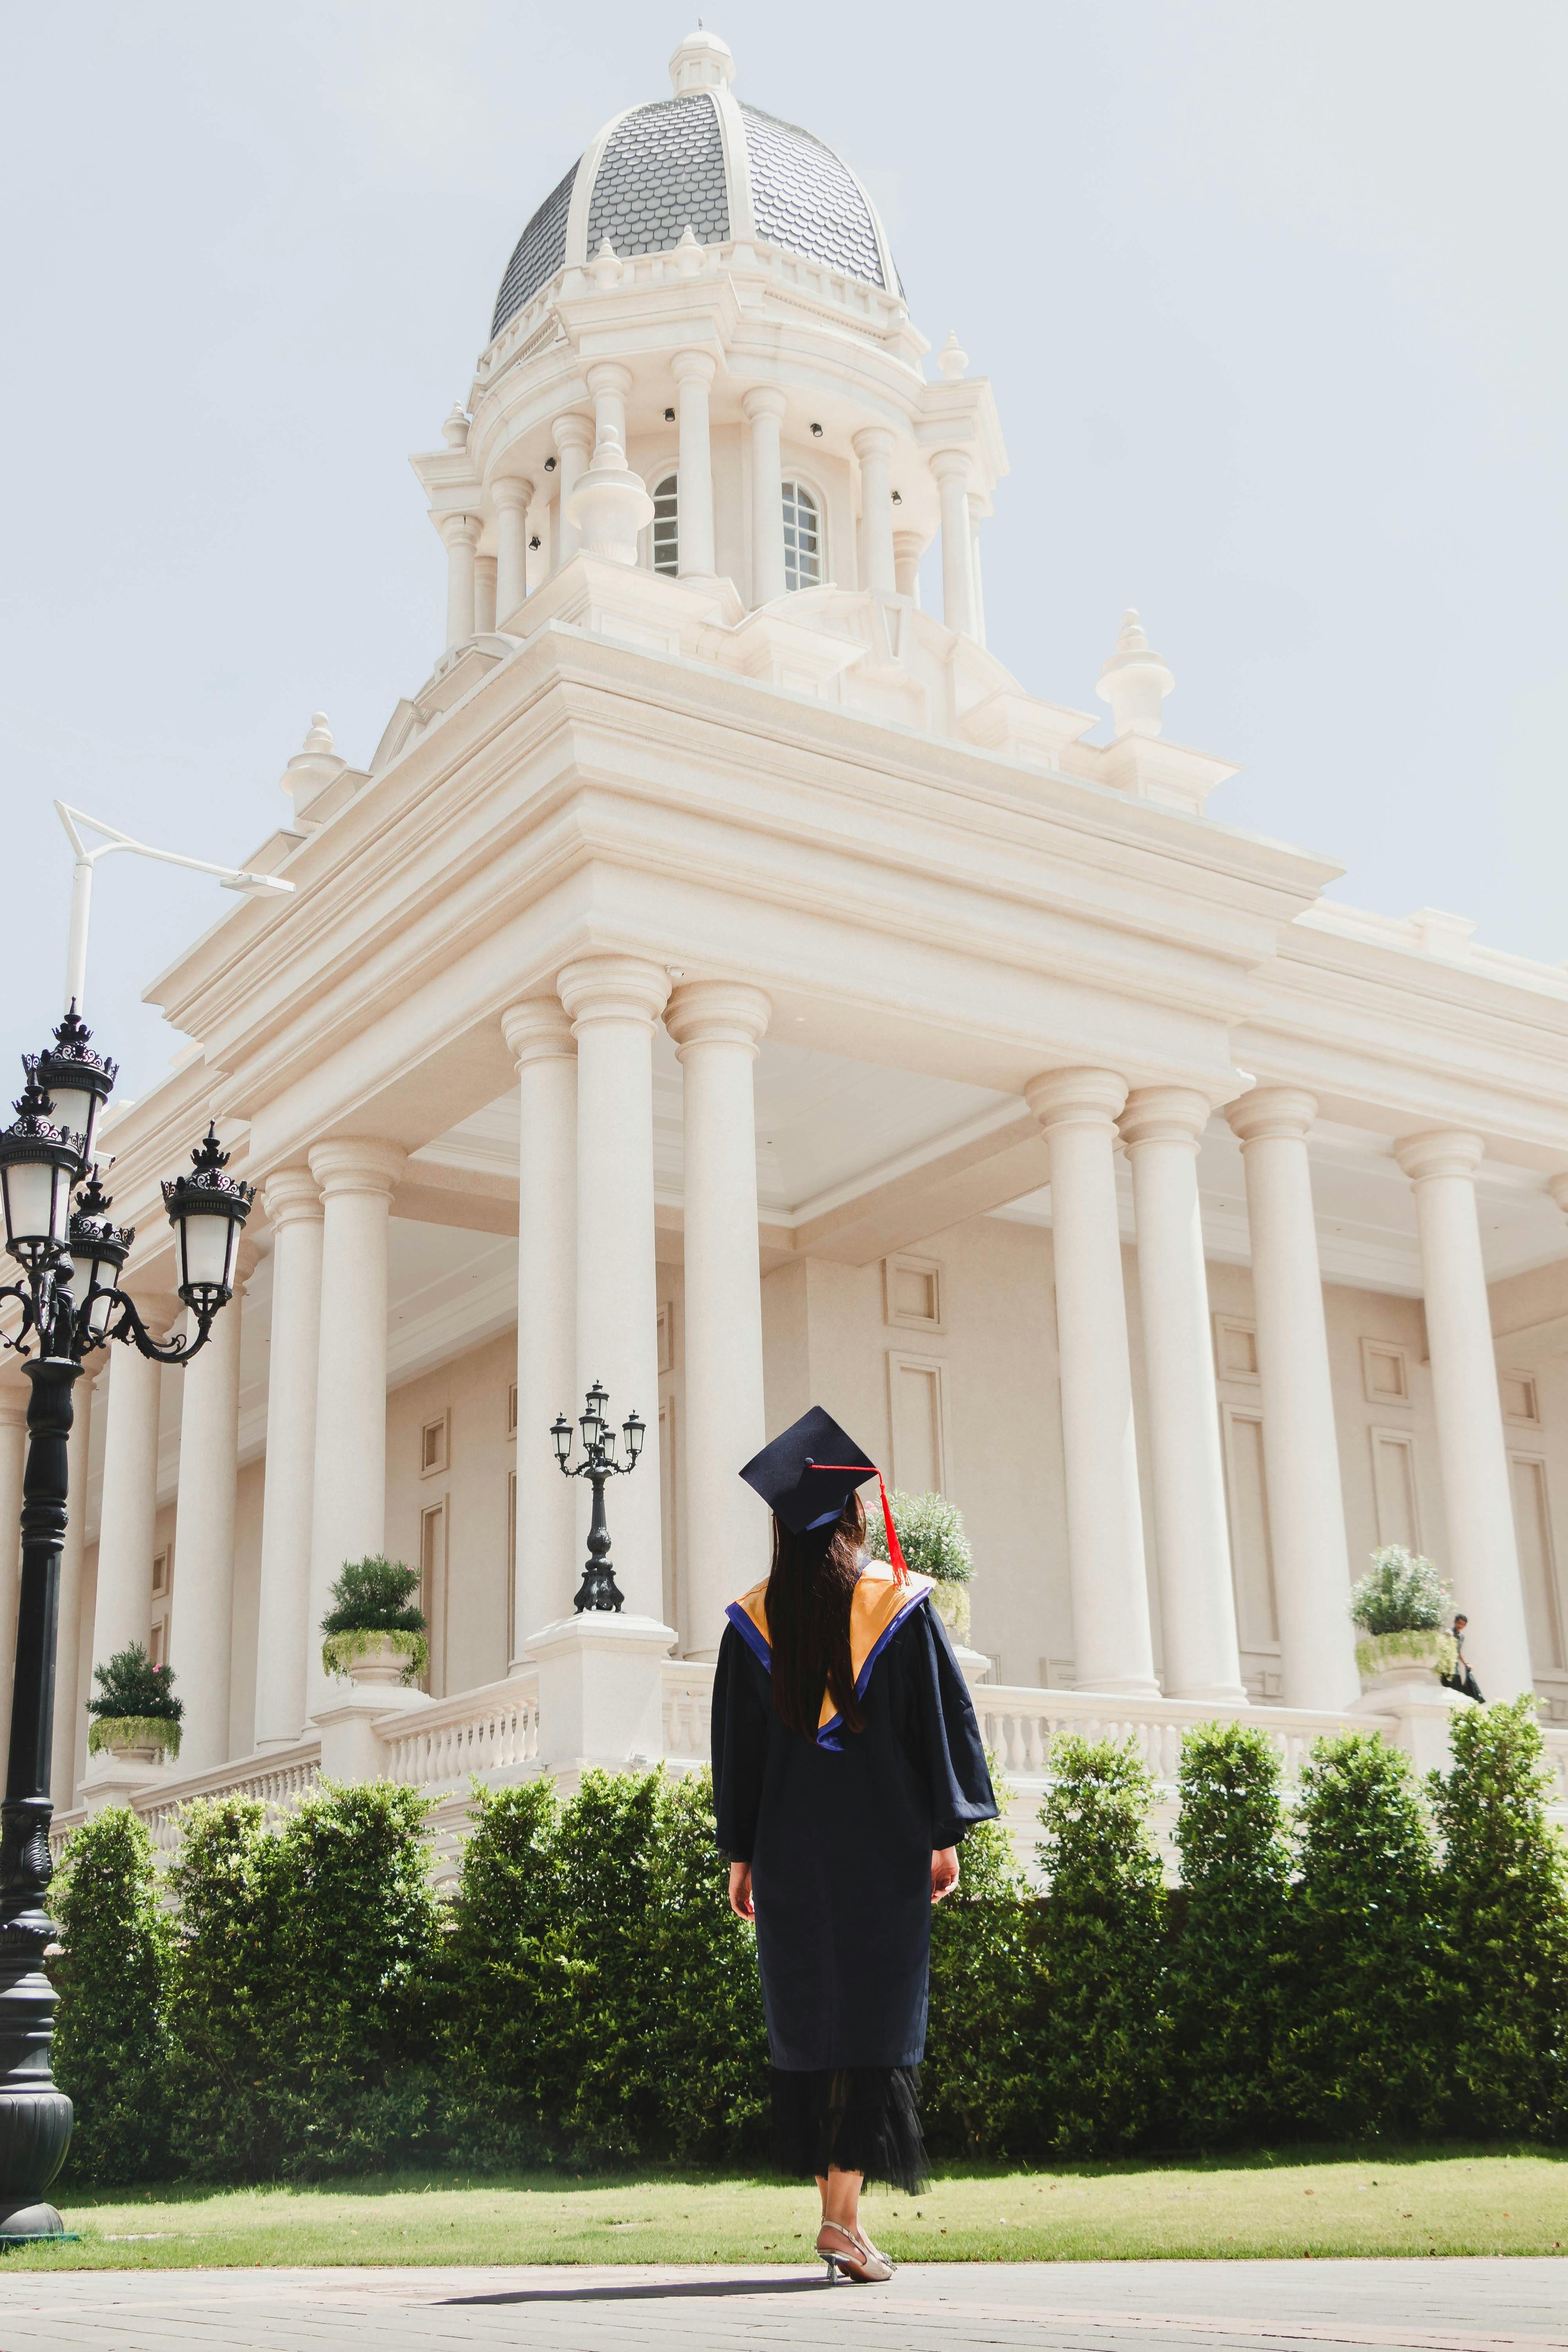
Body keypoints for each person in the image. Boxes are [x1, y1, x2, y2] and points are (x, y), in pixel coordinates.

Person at [711, 1405, 998, 2286]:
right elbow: (936, 1729)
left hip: (796, 1854)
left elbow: (737, 1751)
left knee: (816, 2019)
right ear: (852, 1516)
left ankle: (842, 2218)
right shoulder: (900, 1610)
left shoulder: (751, 1623)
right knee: (872, 2022)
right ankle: (841, 2218)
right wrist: (944, 1836)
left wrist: (741, 1854)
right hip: (882, 1849)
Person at [1440, 1612, 1485, 1703]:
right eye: (1459, 1623)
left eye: (1463, 1624)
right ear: (1455, 1622)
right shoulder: (1449, 1632)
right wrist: (1447, 1635)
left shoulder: (1462, 1636)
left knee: (1457, 1691)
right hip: (1446, 1668)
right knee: (1447, 1691)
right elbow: (1443, 1641)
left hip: (1455, 1668)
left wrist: (1465, 1664)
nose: (1460, 1626)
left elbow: (1458, 1652)